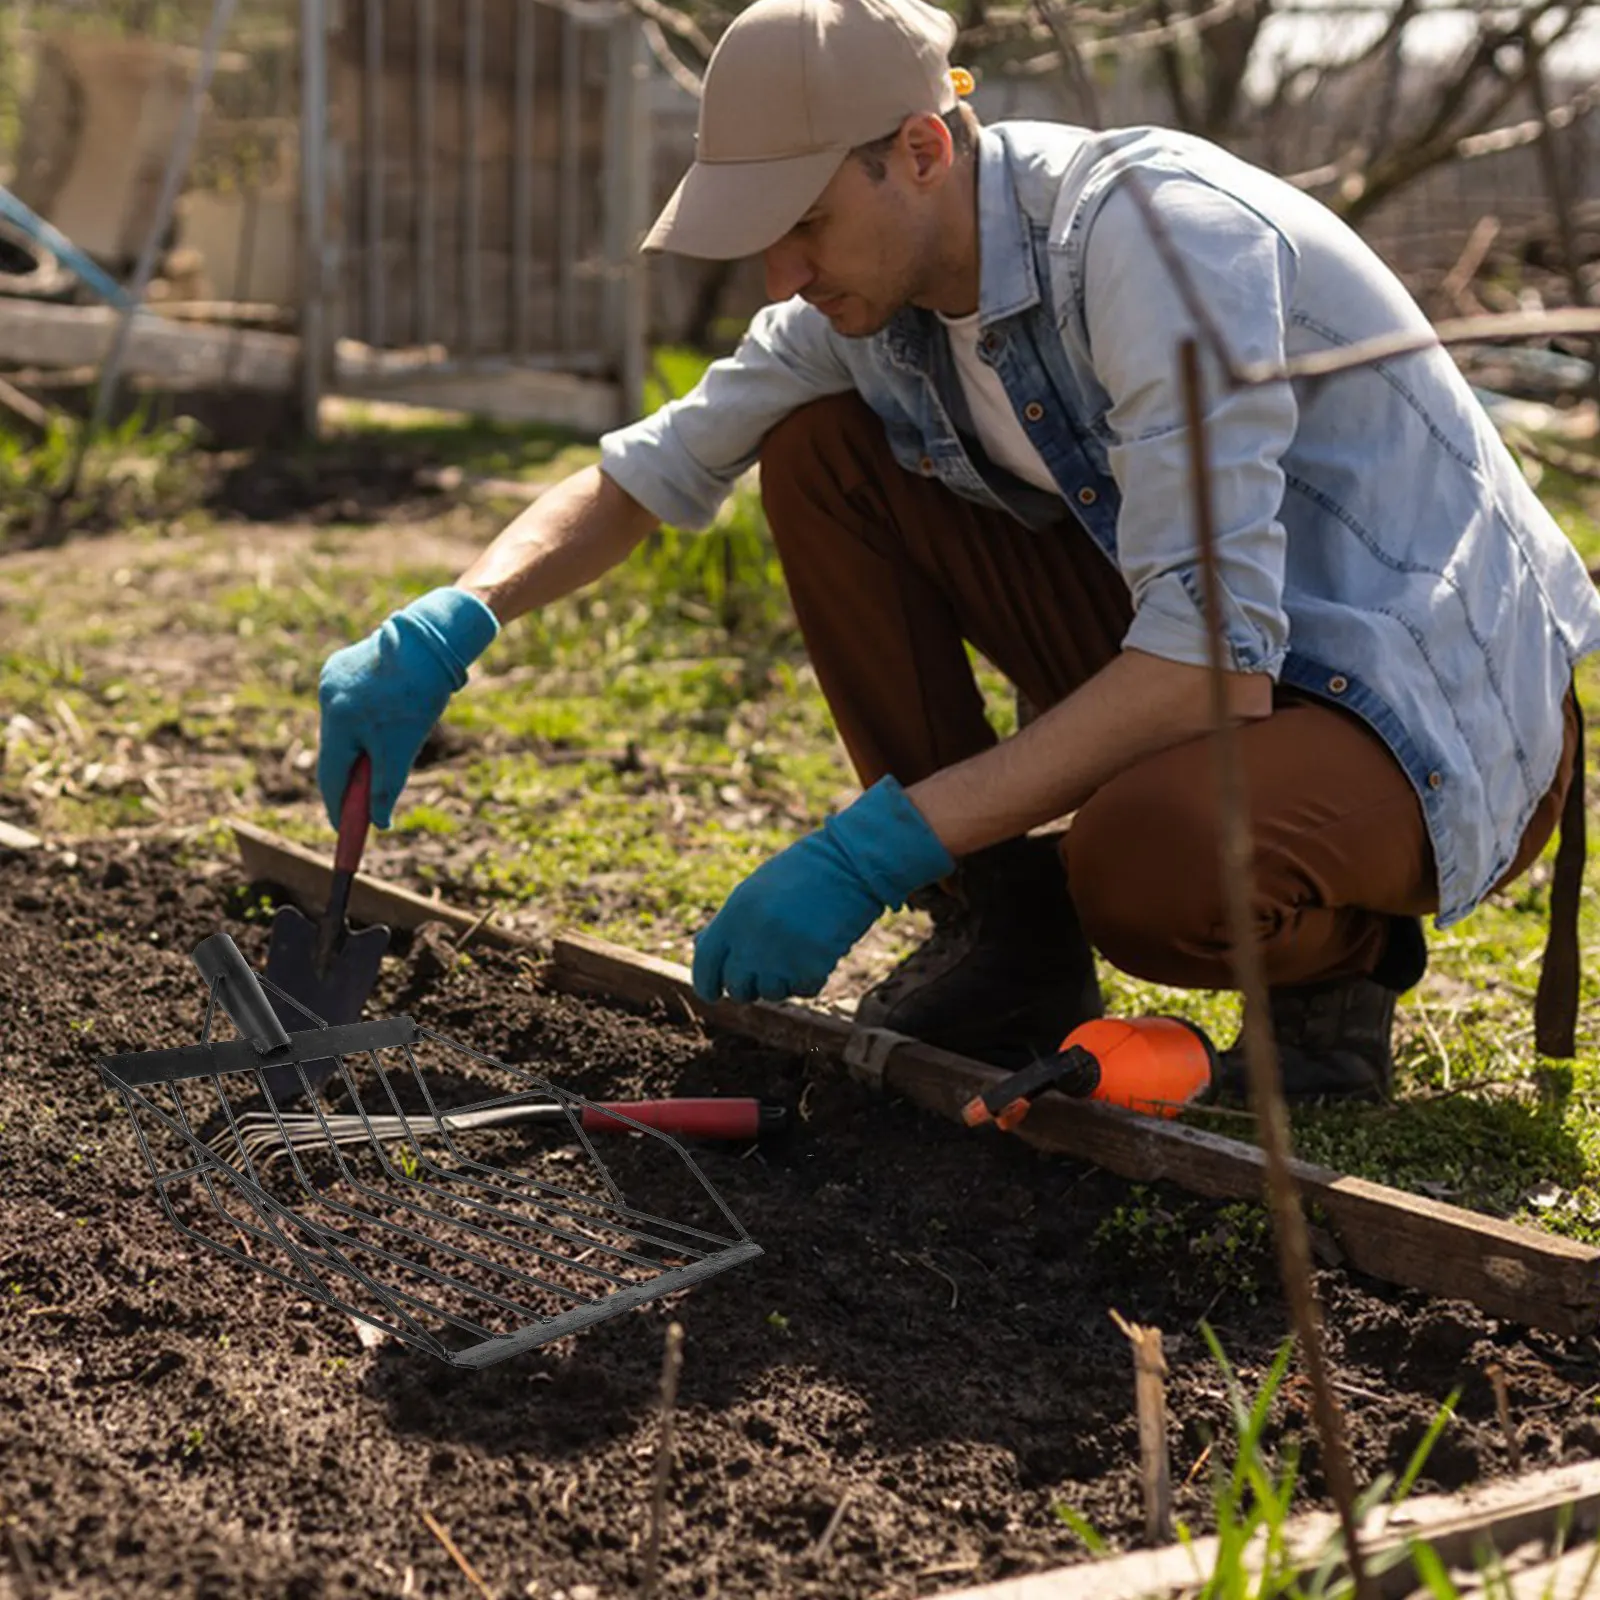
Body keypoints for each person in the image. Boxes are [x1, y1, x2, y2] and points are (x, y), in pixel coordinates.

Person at [315, 0, 1600, 1101]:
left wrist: (872, 847)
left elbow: (1208, 658)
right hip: (1238, 659)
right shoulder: (873, 300)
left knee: (1142, 865)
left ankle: (1335, 973)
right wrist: (454, 617)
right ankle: (1008, 935)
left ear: (920, 151)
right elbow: (656, 468)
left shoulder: (1155, 241)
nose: (782, 269)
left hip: (1432, 713)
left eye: (803, 222)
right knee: (818, 453)